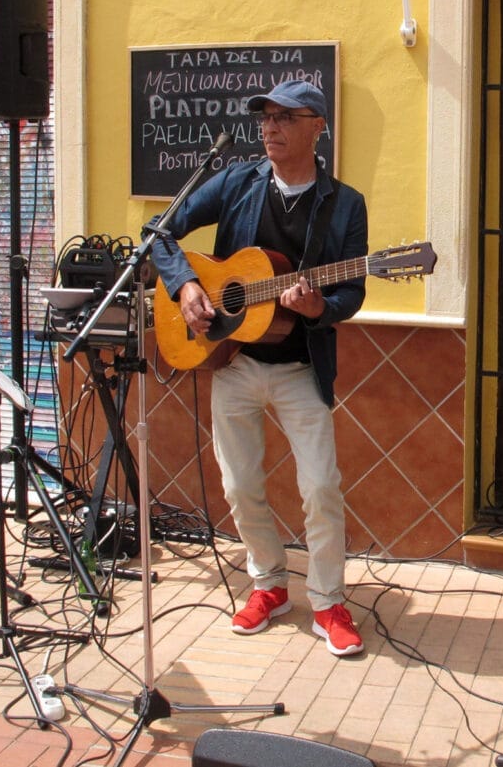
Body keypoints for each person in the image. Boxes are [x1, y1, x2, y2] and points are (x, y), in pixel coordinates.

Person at [151, 79, 368, 657]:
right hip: (234, 359)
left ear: (317, 126)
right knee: (240, 485)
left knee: (320, 486)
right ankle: (268, 584)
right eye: (264, 118)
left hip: (300, 366)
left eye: (284, 118)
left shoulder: (344, 204)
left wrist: (319, 307)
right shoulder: (237, 182)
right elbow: (160, 231)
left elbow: (352, 292)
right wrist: (186, 285)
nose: (269, 128)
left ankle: (327, 600)